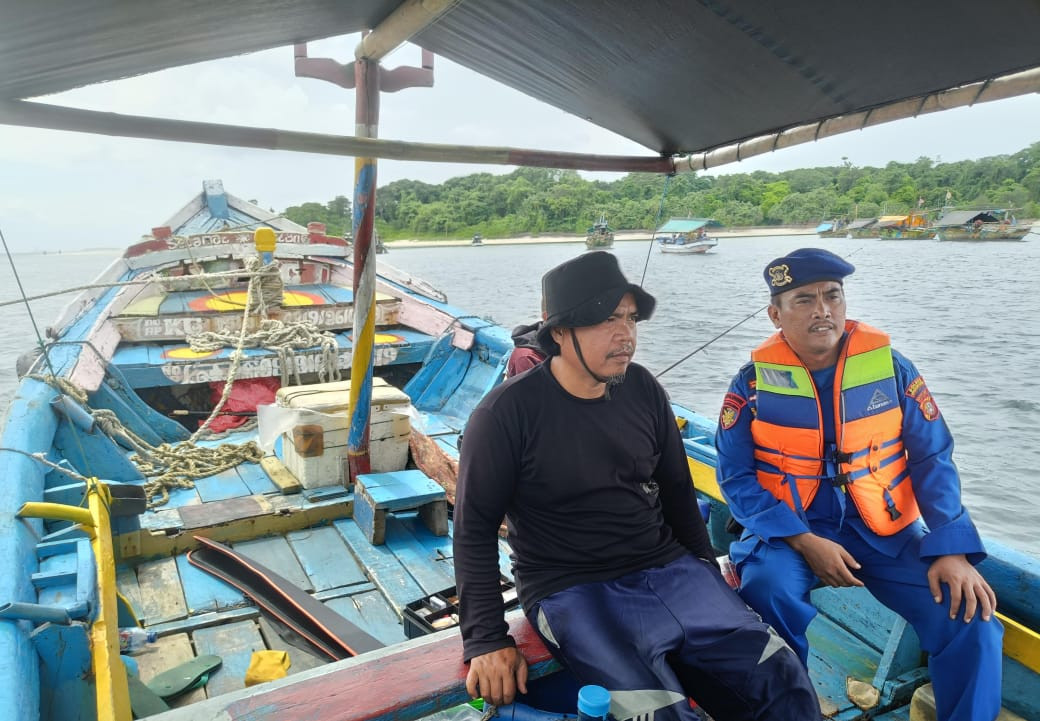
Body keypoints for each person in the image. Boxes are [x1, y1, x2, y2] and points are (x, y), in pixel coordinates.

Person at [454, 252, 818, 721]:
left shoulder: (643, 389)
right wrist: (486, 638)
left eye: (629, 318)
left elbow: (678, 494)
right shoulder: (504, 415)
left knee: (782, 679)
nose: (626, 335)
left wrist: (706, 571)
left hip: (665, 564)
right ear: (560, 332)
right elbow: (474, 530)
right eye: (607, 319)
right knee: (656, 713)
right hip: (569, 586)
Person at [715, 248, 1003, 721]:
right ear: (776, 314)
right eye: (804, 299)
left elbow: (933, 458)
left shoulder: (893, 370)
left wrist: (952, 550)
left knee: (971, 617)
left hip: (883, 531)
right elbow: (736, 478)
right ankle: (789, 710)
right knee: (766, 593)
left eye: (832, 295)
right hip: (791, 531)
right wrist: (804, 541)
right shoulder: (750, 386)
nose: (822, 309)